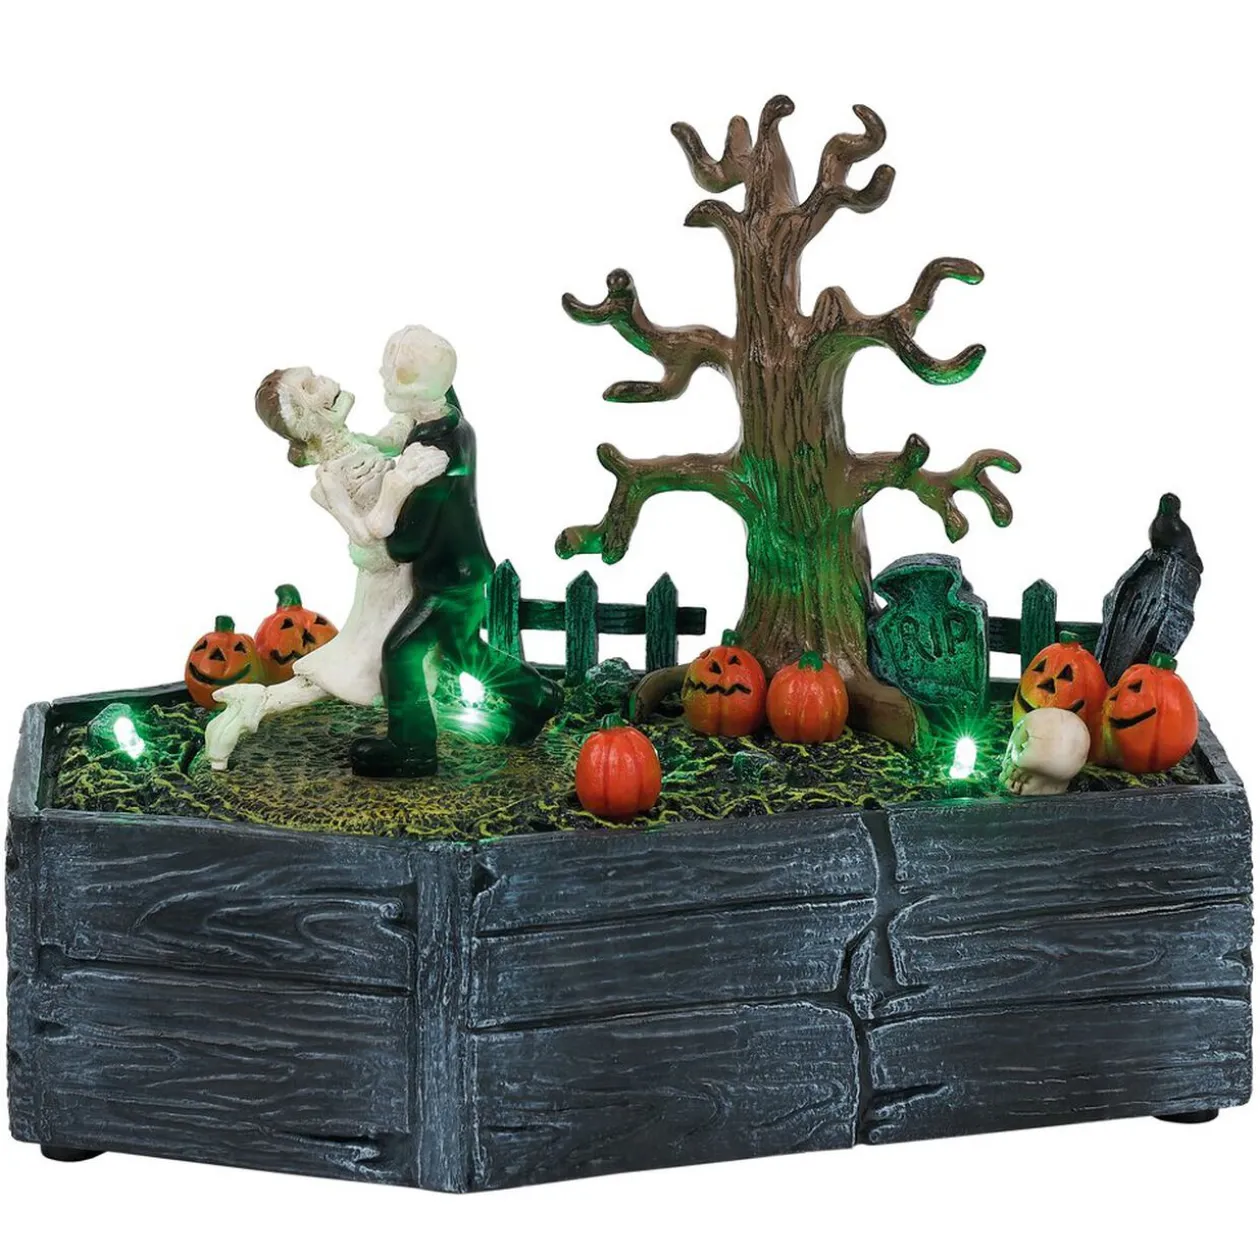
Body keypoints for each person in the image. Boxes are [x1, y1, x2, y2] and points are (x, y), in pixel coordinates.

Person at [204, 364, 449, 769]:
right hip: (386, 588)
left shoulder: (360, 446)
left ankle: (426, 730)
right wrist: (399, 484)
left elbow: (393, 438)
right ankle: (255, 706)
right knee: (368, 667)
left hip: (413, 571)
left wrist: (415, 400)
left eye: (315, 375)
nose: (325, 383)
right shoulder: (330, 480)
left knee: (392, 661)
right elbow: (367, 534)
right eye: (309, 385)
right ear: (303, 420)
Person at [349, 325, 562, 777]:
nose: (381, 375)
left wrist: (391, 492)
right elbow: (443, 392)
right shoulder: (454, 422)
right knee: (463, 652)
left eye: (390, 370)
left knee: (401, 654)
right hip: (468, 570)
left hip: (446, 581)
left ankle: (412, 749)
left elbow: (406, 543)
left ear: (413, 386)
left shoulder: (433, 454)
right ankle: (536, 696)